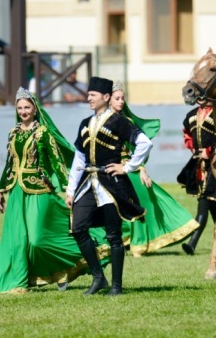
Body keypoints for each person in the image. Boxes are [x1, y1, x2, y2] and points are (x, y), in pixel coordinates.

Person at [0, 87, 110, 294]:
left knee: (37, 240)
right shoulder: (13, 133)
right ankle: (20, 281)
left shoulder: (43, 133)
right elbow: (10, 163)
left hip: (40, 192)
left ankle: (71, 265)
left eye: (27, 107)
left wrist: (70, 190)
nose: (24, 111)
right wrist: (0, 190)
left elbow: (58, 163)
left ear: (35, 109)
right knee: (17, 240)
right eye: (20, 108)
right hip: (17, 193)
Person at [66, 76, 151, 296]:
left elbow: (144, 142)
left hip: (111, 185)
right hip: (88, 183)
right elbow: (79, 158)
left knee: (113, 236)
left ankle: (116, 286)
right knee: (78, 227)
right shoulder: (85, 123)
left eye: (92, 95)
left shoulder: (118, 121)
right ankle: (98, 277)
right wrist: (70, 189)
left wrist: (128, 167)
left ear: (105, 97)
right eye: (88, 95)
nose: (89, 99)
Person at [109, 81, 199, 256]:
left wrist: (141, 168)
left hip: (128, 169)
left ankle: (140, 243)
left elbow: (137, 147)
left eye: (123, 98)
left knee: (145, 196)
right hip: (106, 170)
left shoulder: (126, 121)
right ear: (108, 99)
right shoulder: (101, 121)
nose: (121, 102)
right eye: (117, 98)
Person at [178, 105, 216, 255]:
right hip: (199, 167)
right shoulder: (191, 115)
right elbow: (187, 134)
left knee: (204, 202)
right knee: (214, 207)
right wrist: (194, 149)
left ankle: (192, 243)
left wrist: (209, 151)